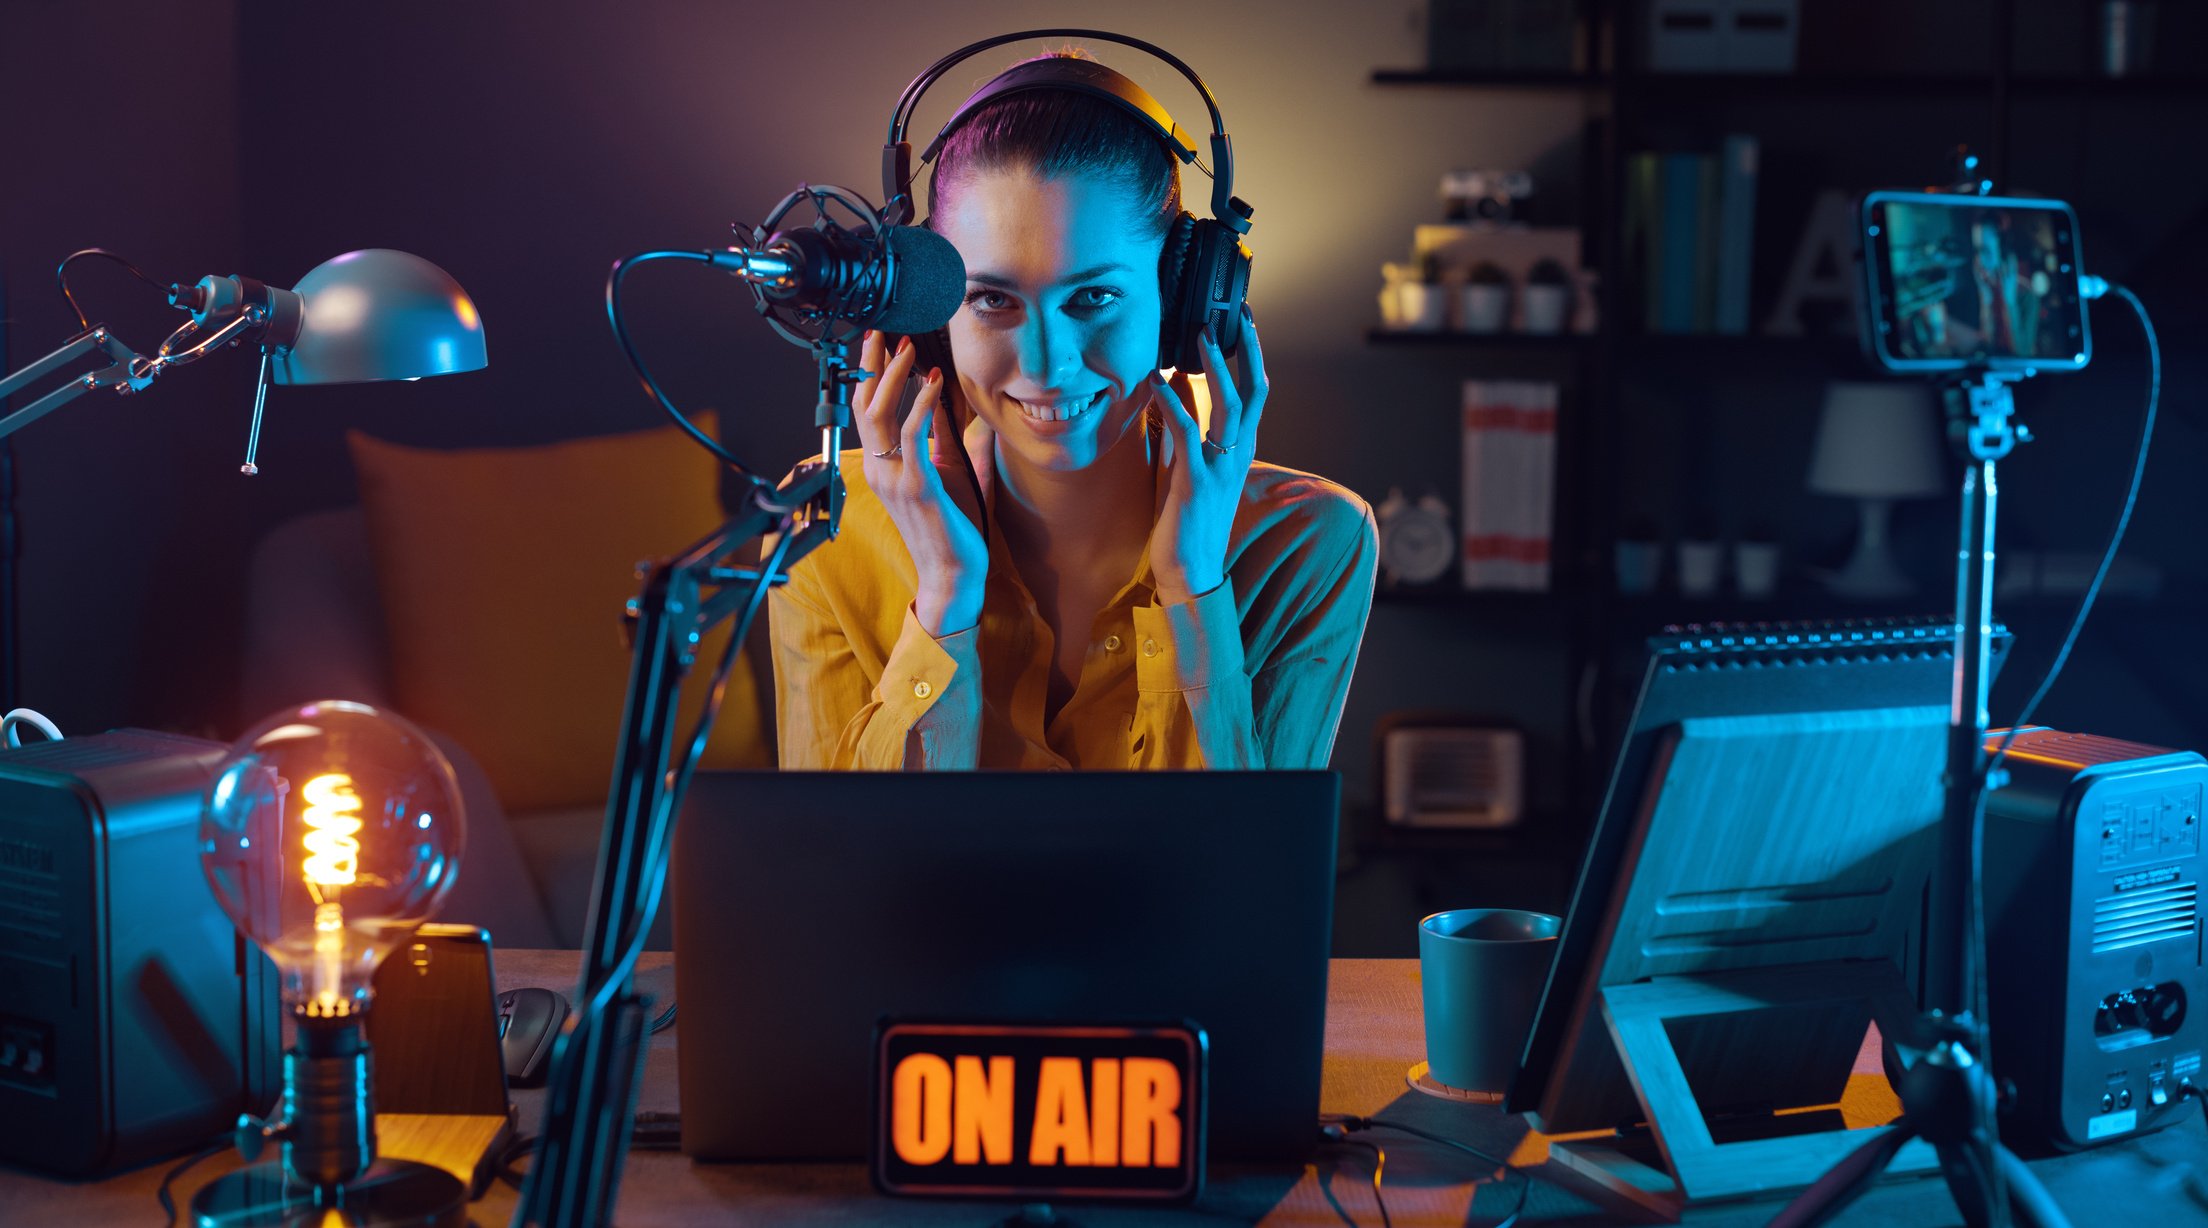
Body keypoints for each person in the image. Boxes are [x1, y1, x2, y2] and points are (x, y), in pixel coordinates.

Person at [769, 50, 1377, 770]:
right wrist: (943, 599)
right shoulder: (825, 530)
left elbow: (1256, 872)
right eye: (992, 299)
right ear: (931, 319)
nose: (1045, 365)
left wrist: (1194, 591)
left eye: (1093, 297)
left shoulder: (1312, 540)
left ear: (1186, 302)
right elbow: (840, 870)